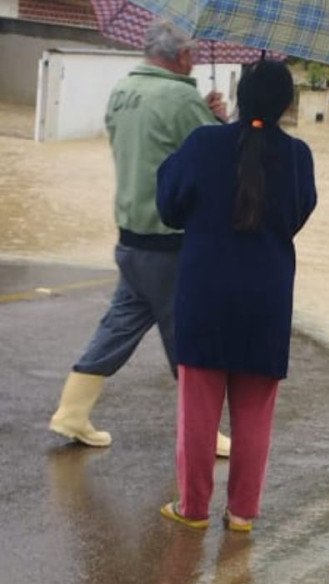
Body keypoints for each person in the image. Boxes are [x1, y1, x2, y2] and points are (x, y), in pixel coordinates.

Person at [48, 20, 232, 457]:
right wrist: (219, 119)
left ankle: (71, 412)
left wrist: (202, 116)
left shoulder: (123, 91)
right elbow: (218, 159)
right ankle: (203, 432)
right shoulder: (180, 96)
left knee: (119, 324)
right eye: (190, 54)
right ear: (182, 57)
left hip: (131, 235)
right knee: (189, 337)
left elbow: (160, 145)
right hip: (171, 240)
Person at [155, 60, 317, 532]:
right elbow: (296, 215)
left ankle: (194, 509)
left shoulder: (206, 142)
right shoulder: (299, 156)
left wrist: (209, 128)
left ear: (239, 97)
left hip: (205, 292)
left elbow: (168, 205)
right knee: (255, 413)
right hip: (266, 297)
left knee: (198, 410)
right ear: (287, 105)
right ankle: (243, 512)